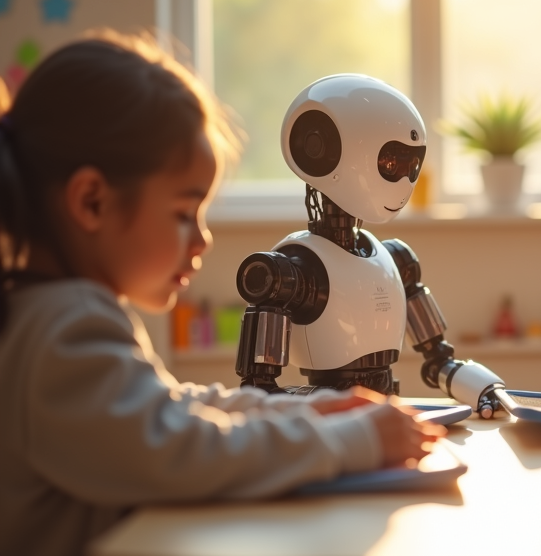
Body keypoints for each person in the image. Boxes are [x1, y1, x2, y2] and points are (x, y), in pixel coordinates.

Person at [0, 31, 442, 556]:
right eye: (184, 213)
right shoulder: (66, 327)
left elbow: (168, 409)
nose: (202, 238)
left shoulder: (48, 316)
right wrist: (354, 441)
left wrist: (304, 412)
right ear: (92, 201)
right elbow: (178, 451)